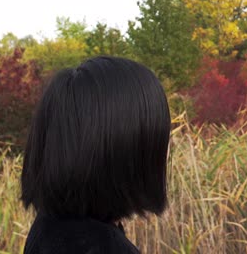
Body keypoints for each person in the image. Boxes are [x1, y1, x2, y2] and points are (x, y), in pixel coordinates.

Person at [21, 56, 171, 253]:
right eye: (160, 136)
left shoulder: (48, 230)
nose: (167, 148)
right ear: (129, 150)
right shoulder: (103, 247)